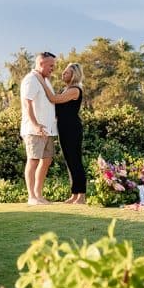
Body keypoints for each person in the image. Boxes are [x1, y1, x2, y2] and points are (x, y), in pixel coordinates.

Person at [36, 63, 86, 203]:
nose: (63, 74)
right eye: (64, 72)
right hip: (63, 128)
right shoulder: (66, 89)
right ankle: (74, 194)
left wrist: (42, 81)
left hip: (72, 128)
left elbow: (54, 99)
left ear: (74, 75)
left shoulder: (75, 90)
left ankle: (81, 195)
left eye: (67, 73)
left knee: (75, 160)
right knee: (69, 160)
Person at [20, 51, 57, 205]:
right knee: (33, 160)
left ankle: (38, 195)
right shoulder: (31, 79)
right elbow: (26, 103)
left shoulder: (45, 80)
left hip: (48, 129)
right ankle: (31, 197)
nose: (53, 68)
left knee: (46, 160)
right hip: (34, 130)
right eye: (51, 65)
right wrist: (35, 125)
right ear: (41, 63)